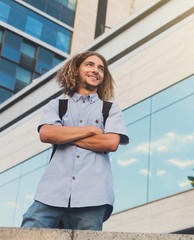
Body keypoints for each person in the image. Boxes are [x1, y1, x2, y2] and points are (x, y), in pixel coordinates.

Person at [21, 51, 129, 231]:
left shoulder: (110, 109)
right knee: (28, 231)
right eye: (90, 65)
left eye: (101, 68)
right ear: (76, 70)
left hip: (93, 197)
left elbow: (110, 143)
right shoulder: (57, 105)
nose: (96, 70)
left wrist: (65, 135)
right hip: (50, 194)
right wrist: (90, 130)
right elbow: (47, 134)